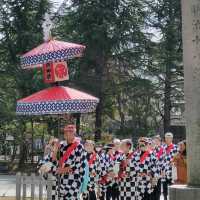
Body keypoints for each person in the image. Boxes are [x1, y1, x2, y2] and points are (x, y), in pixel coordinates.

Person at [40, 124, 87, 200]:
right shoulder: (61, 145)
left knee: (71, 198)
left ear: (73, 133)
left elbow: (79, 163)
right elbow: (53, 160)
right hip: (61, 178)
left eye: (69, 132)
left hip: (74, 177)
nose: (66, 134)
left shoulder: (79, 146)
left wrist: (65, 169)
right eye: (65, 132)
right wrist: (55, 149)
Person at [162, 132, 178, 200]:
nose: (168, 139)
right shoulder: (162, 147)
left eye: (169, 138)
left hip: (172, 170)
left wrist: (174, 162)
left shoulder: (175, 147)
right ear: (165, 139)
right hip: (164, 170)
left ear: (172, 138)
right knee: (164, 187)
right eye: (166, 138)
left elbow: (177, 158)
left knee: (173, 186)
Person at [151, 135, 165, 200]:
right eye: (155, 140)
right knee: (151, 189)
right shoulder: (150, 149)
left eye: (157, 141)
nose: (156, 142)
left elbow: (163, 161)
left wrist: (163, 170)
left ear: (160, 142)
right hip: (151, 172)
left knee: (158, 189)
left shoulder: (162, 150)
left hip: (158, 172)